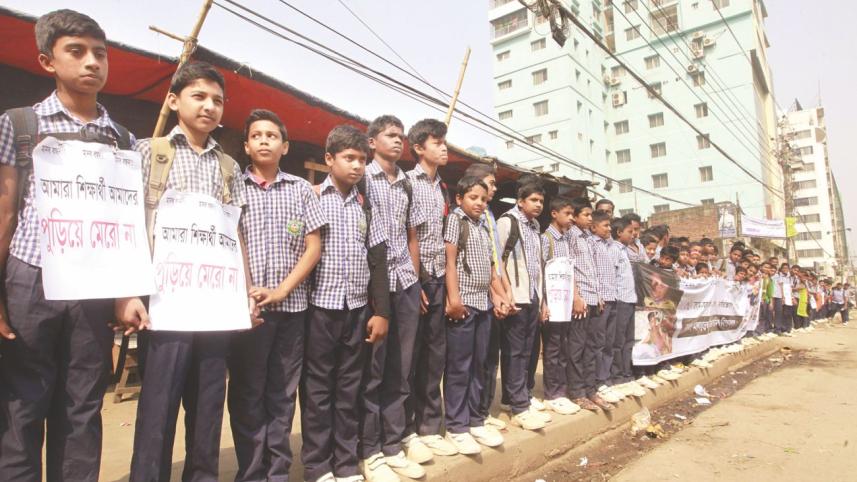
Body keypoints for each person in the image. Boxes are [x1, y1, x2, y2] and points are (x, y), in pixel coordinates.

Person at [0, 10, 135, 481]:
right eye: (76, 52)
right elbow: (5, 211)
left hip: (91, 287)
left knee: (82, 406)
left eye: (100, 53)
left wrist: (126, 291)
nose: (92, 62)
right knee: (22, 403)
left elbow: (125, 221)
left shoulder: (122, 139)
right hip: (30, 279)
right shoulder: (19, 124)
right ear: (47, 61)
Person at [117, 61, 254, 481]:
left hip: (215, 309)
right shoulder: (148, 153)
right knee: (157, 407)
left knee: (209, 406)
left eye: (217, 100)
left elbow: (236, 236)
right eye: (199, 96)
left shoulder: (230, 167)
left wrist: (244, 294)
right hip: (164, 306)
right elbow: (128, 225)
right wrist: (128, 293)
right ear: (174, 101)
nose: (209, 106)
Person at [228, 110, 325, 481]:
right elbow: (229, 241)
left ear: (285, 146)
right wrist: (249, 293)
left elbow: (313, 247)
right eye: (257, 135)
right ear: (247, 145)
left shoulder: (300, 189)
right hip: (248, 310)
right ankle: (251, 473)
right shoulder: (234, 187)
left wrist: (283, 289)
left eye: (272, 135)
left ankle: (278, 472)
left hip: (291, 310)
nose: (264, 140)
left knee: (282, 395)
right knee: (247, 394)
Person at [301, 125, 391, 482]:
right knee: (318, 389)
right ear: (329, 159)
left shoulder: (367, 207)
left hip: (357, 309)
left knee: (350, 387)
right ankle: (318, 467)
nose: (356, 166)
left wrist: (381, 311)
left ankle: (346, 463)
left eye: (362, 161)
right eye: (349, 158)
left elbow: (378, 260)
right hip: (319, 308)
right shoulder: (310, 197)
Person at [360, 115, 428, 480]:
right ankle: (369, 451)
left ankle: (393, 442)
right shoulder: (362, 178)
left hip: (404, 282)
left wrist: (414, 281)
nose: (399, 141)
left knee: (401, 369)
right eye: (391, 135)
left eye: (401, 136)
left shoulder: (407, 185)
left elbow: (412, 235)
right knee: (372, 369)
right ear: (372, 142)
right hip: (373, 284)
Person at [442, 176, 507, 453]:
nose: (479, 203)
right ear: (459, 199)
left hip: (484, 305)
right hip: (464, 305)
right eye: (473, 198)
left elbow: (491, 268)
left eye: (482, 198)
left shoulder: (482, 226)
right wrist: (454, 299)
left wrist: (499, 296)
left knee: (480, 364)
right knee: (459, 366)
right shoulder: (456, 222)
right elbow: (450, 261)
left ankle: (475, 420)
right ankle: (457, 426)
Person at [404, 119, 451, 463]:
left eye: (444, 142)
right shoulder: (407, 183)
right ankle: (406, 430)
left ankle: (430, 427)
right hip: (415, 280)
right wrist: (414, 279)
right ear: (419, 148)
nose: (444, 147)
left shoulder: (442, 188)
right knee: (410, 357)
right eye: (436, 142)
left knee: (435, 356)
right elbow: (408, 236)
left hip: (438, 277)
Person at [465, 163, 514, 433]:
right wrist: (496, 293)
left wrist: (505, 292)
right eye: (490, 183)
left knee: (489, 357)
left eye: (492, 187)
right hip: (479, 293)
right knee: (473, 361)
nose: (493, 189)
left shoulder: (490, 215)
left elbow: (497, 259)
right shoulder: (470, 217)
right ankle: (473, 416)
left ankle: (482, 411)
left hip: (493, 287)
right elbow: (474, 264)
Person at [496, 182, 550, 429]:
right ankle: (518, 405)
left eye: (540, 201)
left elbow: (537, 264)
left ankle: (520, 396)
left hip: (532, 295)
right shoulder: (508, 222)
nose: (538, 205)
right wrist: (505, 294)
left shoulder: (535, 226)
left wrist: (542, 300)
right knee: (514, 351)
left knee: (527, 351)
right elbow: (497, 260)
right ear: (520, 201)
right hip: (515, 296)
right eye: (533, 200)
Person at [566, 197, 613, 412]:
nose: (589, 218)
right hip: (581, 300)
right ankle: (576, 391)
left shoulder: (587, 238)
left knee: (593, 346)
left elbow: (592, 270)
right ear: (574, 218)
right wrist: (577, 297)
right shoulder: (571, 237)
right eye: (585, 215)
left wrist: (599, 296)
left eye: (589, 215)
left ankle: (590, 388)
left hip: (595, 299)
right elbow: (571, 269)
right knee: (577, 347)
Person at [539, 197, 583, 415]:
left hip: (566, 304)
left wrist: (576, 296)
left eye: (573, 214)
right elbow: (539, 273)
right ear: (554, 214)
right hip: (552, 305)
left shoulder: (567, 240)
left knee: (563, 348)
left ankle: (561, 391)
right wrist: (543, 303)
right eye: (567, 213)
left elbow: (570, 272)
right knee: (553, 349)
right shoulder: (546, 239)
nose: (571, 218)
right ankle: (551, 394)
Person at [588, 210, 623, 404]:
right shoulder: (591, 244)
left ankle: (606, 378)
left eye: (610, 225)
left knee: (609, 341)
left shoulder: (610, 245)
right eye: (605, 226)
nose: (609, 229)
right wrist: (597, 295)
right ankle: (597, 380)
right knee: (598, 342)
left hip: (613, 298)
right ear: (594, 227)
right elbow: (591, 272)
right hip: (600, 300)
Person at [609, 217, 646, 397]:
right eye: (630, 232)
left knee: (628, 340)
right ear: (619, 233)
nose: (633, 235)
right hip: (620, 300)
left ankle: (627, 373)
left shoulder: (625, 251)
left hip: (630, 299)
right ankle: (617, 376)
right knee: (618, 341)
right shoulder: (613, 250)